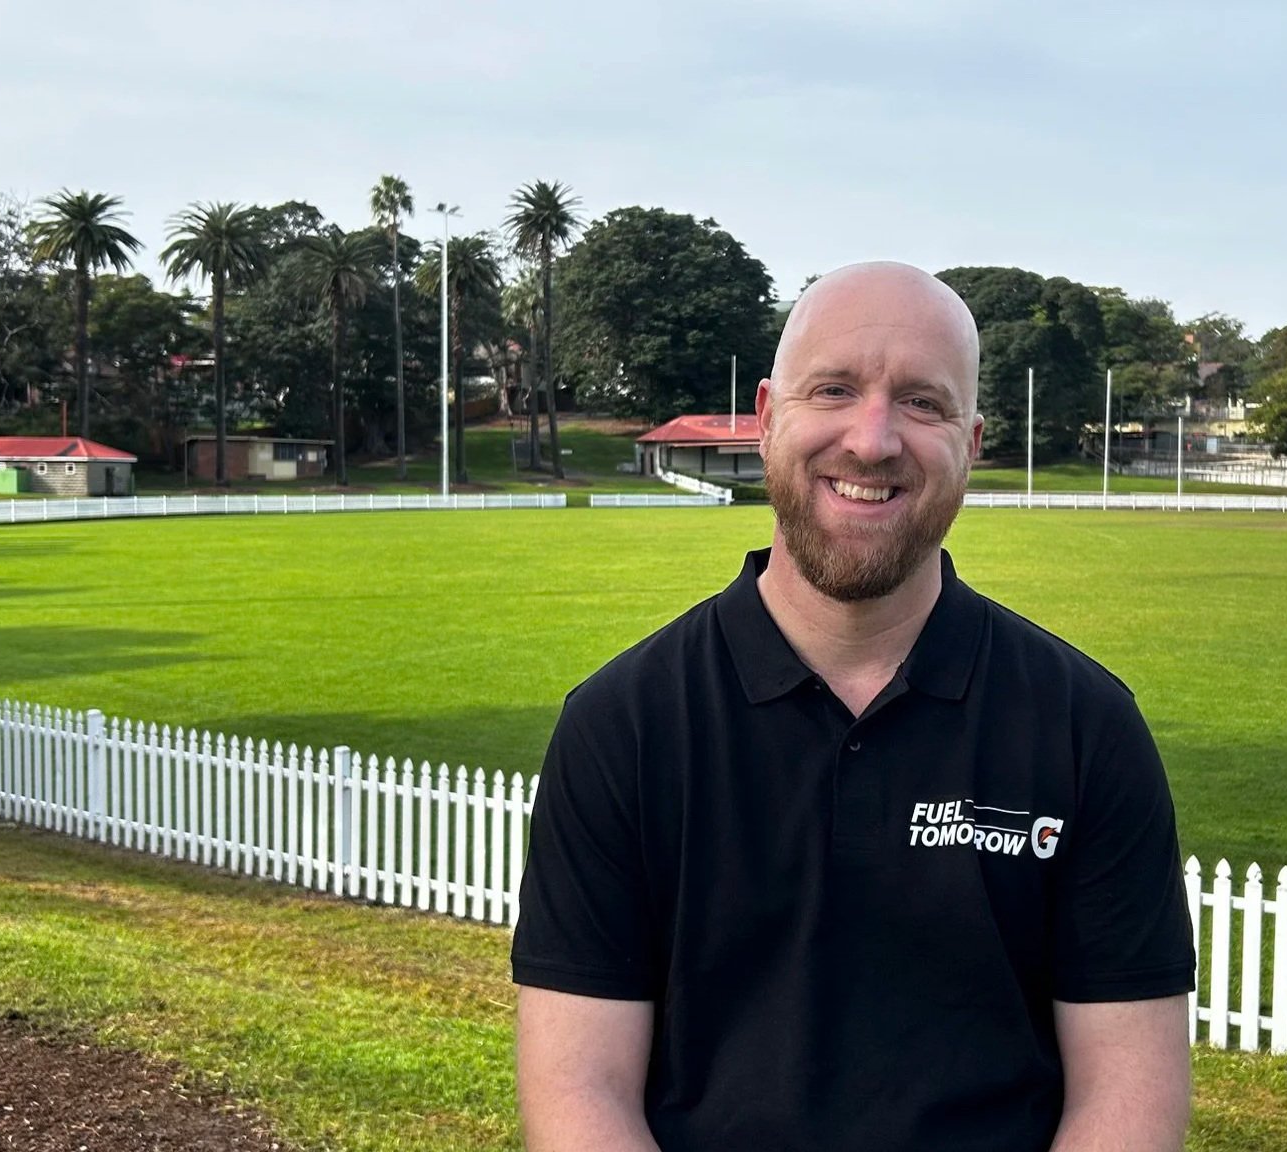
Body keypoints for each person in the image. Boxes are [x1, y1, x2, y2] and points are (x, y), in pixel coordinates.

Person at [511, 262, 1196, 1152]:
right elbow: (580, 1092)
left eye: (923, 403)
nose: (872, 441)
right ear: (765, 416)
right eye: (834, 389)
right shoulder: (624, 725)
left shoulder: (1083, 726)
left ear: (974, 440)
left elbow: (1126, 1096)